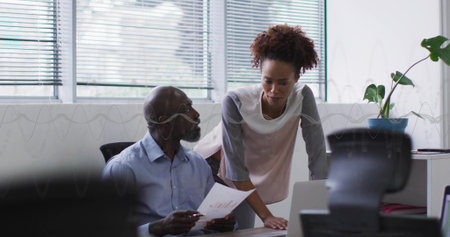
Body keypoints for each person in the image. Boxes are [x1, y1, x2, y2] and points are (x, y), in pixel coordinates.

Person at [193, 24, 328, 230]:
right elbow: (235, 168)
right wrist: (267, 215)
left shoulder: (302, 96)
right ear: (260, 72)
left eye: (283, 83)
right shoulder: (236, 101)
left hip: (247, 177)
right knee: (219, 231)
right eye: (268, 81)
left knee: (245, 231)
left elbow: (317, 154)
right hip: (214, 171)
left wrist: (318, 208)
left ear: (297, 78)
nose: (274, 90)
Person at [103, 86, 235, 236]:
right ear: (164, 121)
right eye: (186, 108)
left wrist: (224, 222)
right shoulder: (123, 168)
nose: (196, 114)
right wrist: (159, 228)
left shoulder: (198, 163)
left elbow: (215, 214)